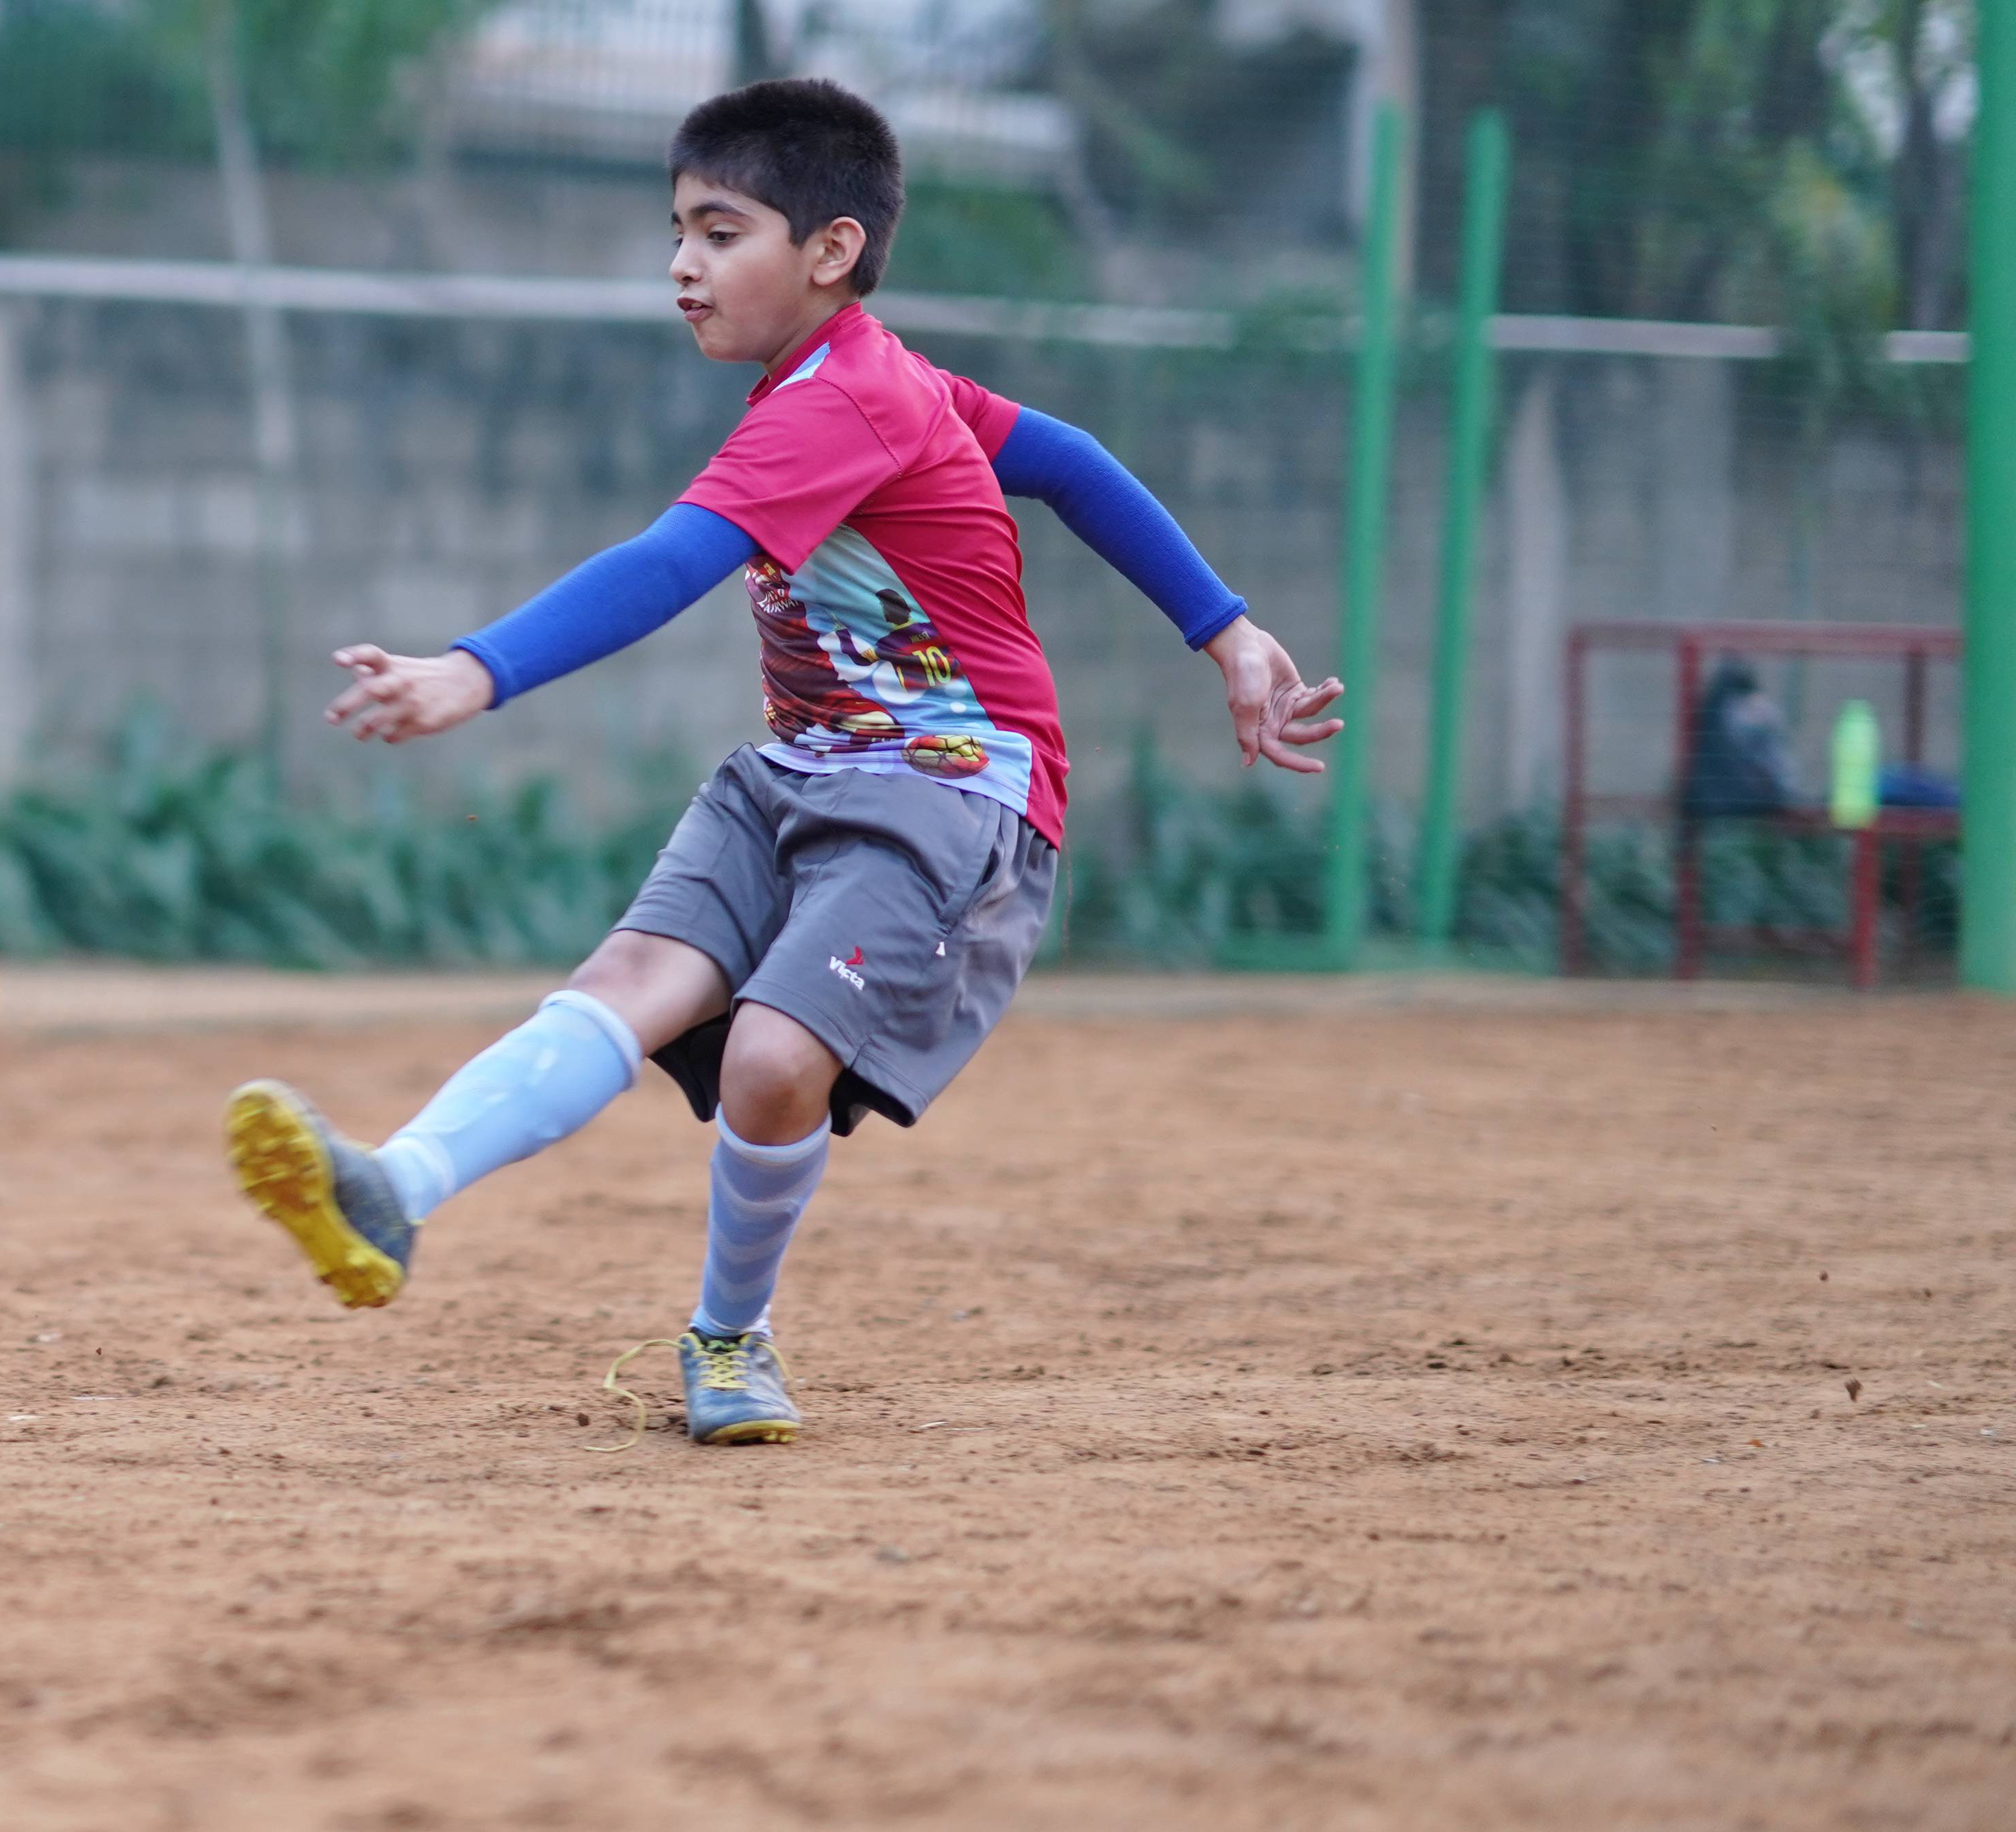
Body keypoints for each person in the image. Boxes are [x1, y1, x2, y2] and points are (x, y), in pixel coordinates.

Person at [223, 77, 1342, 1445]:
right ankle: (389, 1186)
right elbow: (1071, 458)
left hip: (949, 793)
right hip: (800, 767)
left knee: (767, 1061)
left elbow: (669, 563)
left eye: (720, 228)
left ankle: (730, 1334)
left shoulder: (843, 400)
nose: (682, 263)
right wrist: (1223, 630)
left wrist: (476, 667)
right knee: (623, 984)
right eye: (679, 230)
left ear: (830, 252)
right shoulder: (875, 379)